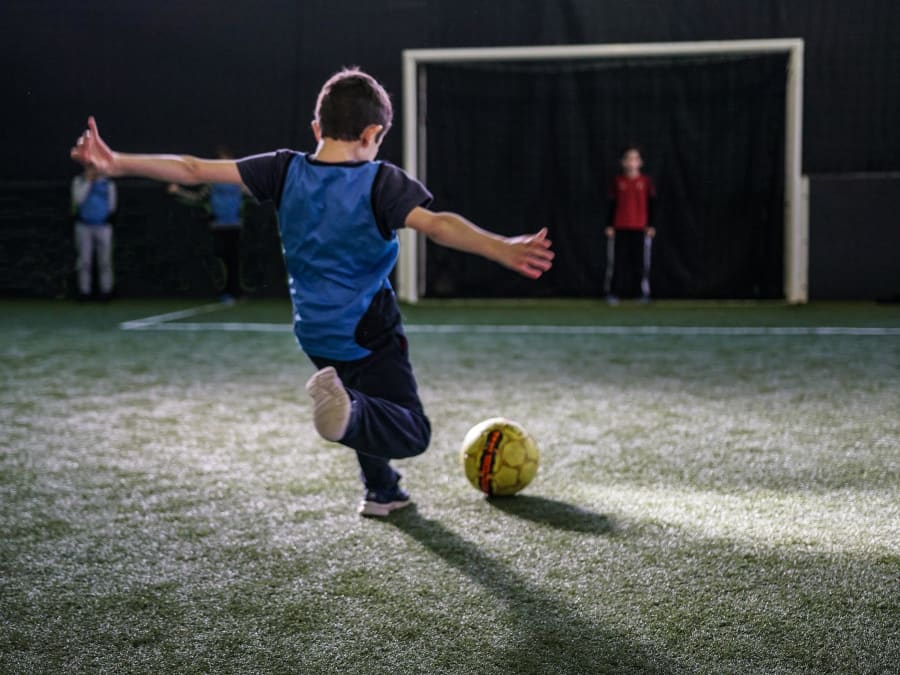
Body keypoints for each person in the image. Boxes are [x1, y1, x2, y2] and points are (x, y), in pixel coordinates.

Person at [70, 68, 554, 517]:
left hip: (315, 331)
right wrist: (500, 246)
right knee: (408, 428)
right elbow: (437, 225)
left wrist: (117, 162)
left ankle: (382, 490)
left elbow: (194, 169)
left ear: (316, 127)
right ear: (372, 134)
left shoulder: (283, 170)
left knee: (355, 398)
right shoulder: (380, 181)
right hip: (369, 328)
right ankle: (353, 421)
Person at [168, 147, 246, 303]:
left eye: (227, 161)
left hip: (234, 226)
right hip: (217, 226)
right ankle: (223, 291)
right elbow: (198, 198)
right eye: (221, 161)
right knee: (219, 261)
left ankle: (235, 292)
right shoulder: (212, 183)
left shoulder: (238, 182)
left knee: (233, 261)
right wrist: (178, 191)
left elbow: (254, 194)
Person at [603, 146, 657, 304]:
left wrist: (651, 225)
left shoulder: (645, 182)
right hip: (620, 227)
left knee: (640, 263)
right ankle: (613, 293)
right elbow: (612, 204)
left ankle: (642, 293)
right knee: (617, 262)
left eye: (635, 159)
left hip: (640, 228)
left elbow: (652, 204)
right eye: (629, 159)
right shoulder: (618, 181)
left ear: (640, 162)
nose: (632, 162)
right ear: (623, 162)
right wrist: (609, 225)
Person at [71, 164, 117, 300]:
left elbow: (112, 206)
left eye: (96, 168)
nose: (93, 171)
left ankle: (106, 291)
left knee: (105, 261)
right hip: (83, 226)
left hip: (103, 227)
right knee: (84, 261)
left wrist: (103, 216)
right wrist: (88, 182)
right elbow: (78, 200)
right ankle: (84, 291)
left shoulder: (109, 184)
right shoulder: (78, 181)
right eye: (90, 168)